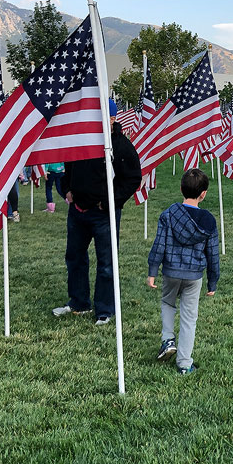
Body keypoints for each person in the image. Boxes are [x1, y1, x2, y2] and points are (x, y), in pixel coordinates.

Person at [53, 99, 141, 325]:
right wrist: (67, 189)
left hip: (104, 214)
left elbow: (132, 178)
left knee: (106, 263)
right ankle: (78, 303)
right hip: (78, 212)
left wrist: (110, 202)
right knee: (74, 258)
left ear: (112, 119)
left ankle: (104, 310)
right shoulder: (81, 140)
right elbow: (67, 166)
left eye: (101, 117)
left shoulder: (121, 146)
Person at [147, 168, 219, 375]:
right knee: (189, 317)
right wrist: (212, 282)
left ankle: (168, 338)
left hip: (170, 271)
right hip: (194, 275)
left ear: (181, 189)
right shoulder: (209, 220)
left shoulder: (169, 214)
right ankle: (185, 364)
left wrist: (153, 270)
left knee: (168, 303)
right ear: (203, 193)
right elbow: (212, 254)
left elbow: (159, 244)